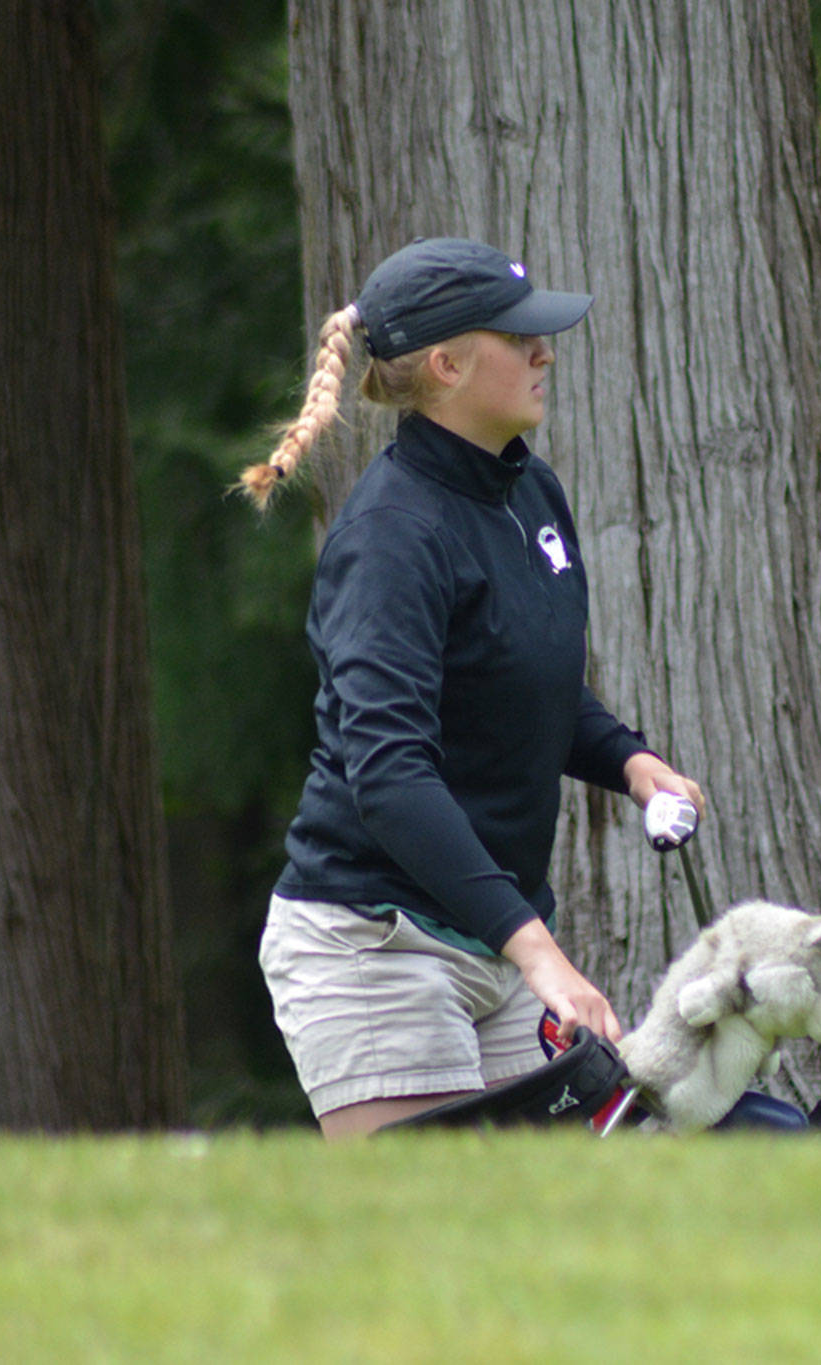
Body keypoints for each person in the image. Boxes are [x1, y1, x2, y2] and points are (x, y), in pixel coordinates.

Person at [241, 237, 702, 1137]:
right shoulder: (391, 538)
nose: (547, 351)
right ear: (447, 365)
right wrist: (543, 958)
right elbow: (389, 775)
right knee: (423, 1257)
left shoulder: (531, 494)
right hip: (372, 943)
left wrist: (633, 761)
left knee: (534, 1254)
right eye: (520, 336)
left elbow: (531, 686)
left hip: (490, 945)